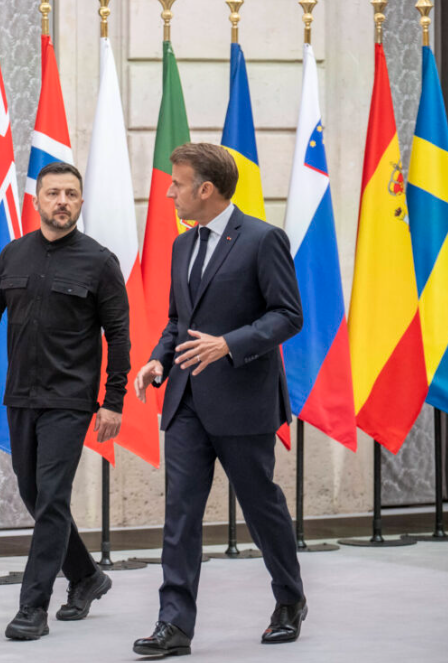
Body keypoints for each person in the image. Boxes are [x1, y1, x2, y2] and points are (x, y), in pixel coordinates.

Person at [132, 143, 306, 657]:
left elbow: (287, 315)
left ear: (205, 189)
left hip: (243, 401)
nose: (170, 192)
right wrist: (159, 359)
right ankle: (174, 625)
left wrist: (229, 345)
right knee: (180, 513)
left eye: (177, 183)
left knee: (260, 507)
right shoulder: (181, 246)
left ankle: (290, 600)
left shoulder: (262, 239)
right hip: (185, 400)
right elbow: (177, 321)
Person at [0, 161, 129, 641]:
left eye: (71, 194)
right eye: (54, 193)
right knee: (35, 496)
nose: (63, 202)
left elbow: (118, 334)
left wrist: (113, 401)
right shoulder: (14, 254)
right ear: (37, 201)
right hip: (21, 397)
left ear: (80, 202)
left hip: (70, 400)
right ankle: (88, 577)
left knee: (52, 498)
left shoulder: (99, 261)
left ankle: (32, 608)